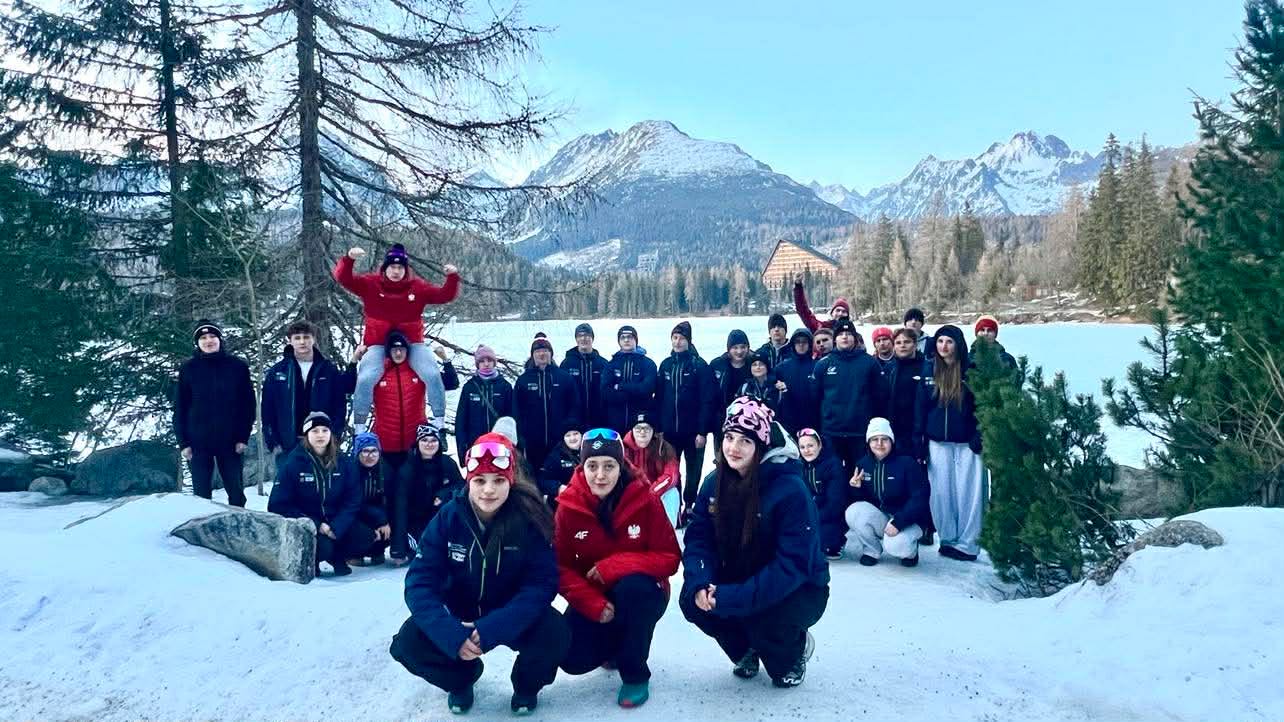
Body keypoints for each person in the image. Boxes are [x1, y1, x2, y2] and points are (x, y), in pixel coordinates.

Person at [390, 433, 569, 716]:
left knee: (554, 631)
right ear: (468, 481)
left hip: (510, 611)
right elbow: (419, 582)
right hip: (460, 611)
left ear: (510, 481)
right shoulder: (448, 518)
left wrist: (493, 628)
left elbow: (541, 584)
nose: (488, 490)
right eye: (480, 481)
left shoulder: (529, 518)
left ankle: (526, 686)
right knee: (408, 642)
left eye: (498, 481)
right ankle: (461, 679)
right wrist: (450, 634)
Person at [680, 397, 830, 688]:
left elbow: (792, 565)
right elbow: (699, 538)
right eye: (729, 438)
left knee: (767, 628)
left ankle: (794, 651)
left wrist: (732, 597)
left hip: (797, 586)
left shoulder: (790, 490)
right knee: (692, 600)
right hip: (743, 574)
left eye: (745, 441)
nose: (733, 448)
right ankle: (746, 649)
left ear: (760, 445)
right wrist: (700, 581)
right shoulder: (714, 482)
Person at [555, 428, 681, 708]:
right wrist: (591, 603)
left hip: (643, 591)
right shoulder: (568, 506)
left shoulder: (644, 498)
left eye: (609, 466)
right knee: (571, 658)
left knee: (633, 589)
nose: (600, 475)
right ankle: (615, 645)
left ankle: (635, 673)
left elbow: (670, 557)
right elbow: (560, 568)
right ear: (582, 467)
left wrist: (615, 566)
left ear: (620, 466)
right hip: (595, 594)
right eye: (592, 466)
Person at [334, 243, 459, 432]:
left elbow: (444, 295)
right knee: (366, 379)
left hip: (412, 344)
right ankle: (359, 425)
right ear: (385, 268)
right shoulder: (371, 284)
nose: (396, 271)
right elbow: (344, 279)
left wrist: (452, 277)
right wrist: (349, 259)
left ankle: (439, 421)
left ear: (405, 270)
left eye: (400, 267)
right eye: (392, 267)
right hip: (377, 344)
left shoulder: (417, 287)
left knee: (432, 374)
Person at [914, 325, 985, 562]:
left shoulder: (971, 370)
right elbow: (921, 408)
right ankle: (948, 539)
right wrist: (919, 440)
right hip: (937, 442)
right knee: (941, 493)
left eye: (949, 342)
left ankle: (969, 544)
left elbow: (984, 405)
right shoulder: (929, 369)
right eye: (940, 341)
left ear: (958, 344)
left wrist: (980, 434)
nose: (944, 346)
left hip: (967, 444)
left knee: (969, 494)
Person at [268, 412, 370, 576]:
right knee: (324, 547)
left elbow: (353, 499)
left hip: (335, 521)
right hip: (307, 524)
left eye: (324, 430)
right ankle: (313, 560)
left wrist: (338, 526)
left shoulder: (343, 461)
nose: (320, 435)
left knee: (365, 536)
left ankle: (338, 556)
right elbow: (277, 504)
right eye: (315, 431)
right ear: (306, 434)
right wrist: (317, 525)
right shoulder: (293, 462)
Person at [174, 320, 255, 507]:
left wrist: (243, 437)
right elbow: (180, 407)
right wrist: (183, 443)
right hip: (198, 442)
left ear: (219, 339)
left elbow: (248, 405)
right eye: (203, 338)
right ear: (197, 343)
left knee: (236, 492)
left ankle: (238, 522)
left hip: (231, 441)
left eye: (212, 336)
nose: (208, 341)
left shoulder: (237, 366)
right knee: (201, 495)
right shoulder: (188, 369)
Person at [261, 319, 355, 471]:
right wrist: (272, 441)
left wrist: (335, 434)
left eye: (306, 337)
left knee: (320, 483)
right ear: (290, 341)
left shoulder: (327, 369)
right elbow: (267, 408)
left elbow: (339, 405)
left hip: (321, 441)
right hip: (287, 443)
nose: (302, 342)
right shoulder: (278, 372)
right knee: (288, 484)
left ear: (314, 339)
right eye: (297, 338)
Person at [845, 418, 930, 567]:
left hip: (908, 519)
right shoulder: (863, 464)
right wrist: (856, 488)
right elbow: (864, 504)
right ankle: (871, 550)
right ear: (868, 442)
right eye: (874, 439)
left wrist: (899, 522)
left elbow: (920, 497)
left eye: (884, 439)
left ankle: (911, 552)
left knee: (896, 546)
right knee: (853, 511)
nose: (879, 444)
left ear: (892, 441)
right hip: (883, 517)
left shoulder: (907, 463)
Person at [656, 321, 716, 527]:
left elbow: (707, 400)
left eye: (681, 338)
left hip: (693, 432)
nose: (678, 342)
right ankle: (676, 505)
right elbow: (659, 398)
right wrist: (659, 429)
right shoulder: (666, 365)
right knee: (672, 470)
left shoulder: (699, 366)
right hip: (670, 432)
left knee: (693, 470)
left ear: (689, 341)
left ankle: (689, 504)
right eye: (674, 338)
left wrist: (702, 431)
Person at [811, 319, 887, 480]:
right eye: (840, 334)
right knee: (835, 475)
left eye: (848, 334)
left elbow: (881, 398)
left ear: (855, 337)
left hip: (860, 432)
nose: (845, 337)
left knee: (861, 475)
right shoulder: (823, 365)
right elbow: (815, 399)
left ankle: (860, 497)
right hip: (832, 432)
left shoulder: (870, 363)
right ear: (835, 339)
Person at [391, 423, 463, 566]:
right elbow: (400, 508)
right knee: (425, 552)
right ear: (417, 443)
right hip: (415, 521)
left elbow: (462, 486)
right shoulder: (407, 469)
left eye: (433, 440)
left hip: (441, 517)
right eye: (424, 440)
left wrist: (444, 494)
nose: (429, 444)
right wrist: (398, 548)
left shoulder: (447, 463)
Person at [514, 333, 581, 470]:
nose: (542, 354)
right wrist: (521, 435)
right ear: (533, 355)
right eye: (538, 351)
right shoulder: (524, 380)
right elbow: (516, 410)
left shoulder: (564, 377)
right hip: (533, 440)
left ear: (551, 354)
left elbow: (574, 406)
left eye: (545, 351)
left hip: (559, 440)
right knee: (534, 473)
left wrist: (568, 428)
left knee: (559, 472)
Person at [367, 330, 426, 479]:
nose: (398, 353)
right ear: (388, 352)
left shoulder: (418, 371)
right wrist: (354, 361)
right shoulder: (378, 372)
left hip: (413, 443)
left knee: (411, 487)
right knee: (387, 487)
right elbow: (352, 387)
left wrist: (446, 361)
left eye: (402, 349)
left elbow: (450, 383)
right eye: (394, 350)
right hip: (385, 445)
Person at [796, 429, 848, 559]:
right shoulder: (798, 465)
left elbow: (835, 504)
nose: (806, 450)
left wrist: (811, 518)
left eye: (810, 445)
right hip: (809, 512)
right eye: (802, 447)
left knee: (825, 541)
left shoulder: (833, 464)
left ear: (819, 445)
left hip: (829, 516)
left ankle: (835, 542)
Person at [622, 412, 681, 524]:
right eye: (638, 428)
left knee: (673, 493)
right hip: (632, 496)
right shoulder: (623, 449)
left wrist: (651, 493)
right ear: (632, 430)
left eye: (647, 428)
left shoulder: (663, 447)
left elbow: (672, 475)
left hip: (656, 493)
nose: (642, 432)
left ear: (653, 431)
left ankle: (668, 531)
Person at [454, 344, 513, 454]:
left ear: (494, 362)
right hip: (475, 445)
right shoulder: (469, 387)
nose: (486, 364)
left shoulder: (505, 386)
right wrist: (462, 448)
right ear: (477, 364)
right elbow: (461, 420)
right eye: (482, 361)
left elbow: (512, 417)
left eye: (489, 360)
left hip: (500, 445)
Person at [601, 325, 657, 434]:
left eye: (630, 337)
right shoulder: (611, 364)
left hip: (640, 423)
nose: (626, 340)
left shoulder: (648, 364)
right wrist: (630, 394)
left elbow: (647, 389)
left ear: (636, 340)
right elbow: (605, 392)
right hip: (615, 422)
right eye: (623, 337)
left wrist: (620, 386)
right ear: (619, 341)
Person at [350, 431, 393, 566]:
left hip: (379, 514)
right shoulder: (350, 471)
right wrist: (380, 518)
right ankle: (352, 553)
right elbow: (353, 503)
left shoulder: (386, 469)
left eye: (374, 451)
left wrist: (386, 520)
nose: (370, 456)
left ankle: (377, 551)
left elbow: (393, 498)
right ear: (358, 453)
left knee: (393, 525)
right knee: (361, 532)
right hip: (355, 515)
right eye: (365, 451)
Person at [563, 323, 608, 430]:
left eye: (587, 335)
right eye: (580, 335)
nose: (584, 339)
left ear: (592, 338)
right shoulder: (567, 364)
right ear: (576, 339)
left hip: (599, 419)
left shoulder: (603, 364)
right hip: (575, 419)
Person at [773, 329, 817, 434]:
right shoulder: (781, 368)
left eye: (804, 342)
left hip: (813, 421)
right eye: (798, 342)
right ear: (793, 344)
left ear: (810, 344)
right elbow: (772, 391)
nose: (801, 345)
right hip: (789, 422)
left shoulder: (818, 366)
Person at [537, 423, 582, 506]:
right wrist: (558, 487)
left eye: (575, 433)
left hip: (584, 500)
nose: (572, 438)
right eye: (568, 435)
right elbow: (542, 481)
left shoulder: (588, 452)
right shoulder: (555, 456)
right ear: (563, 438)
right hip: (564, 503)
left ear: (581, 435)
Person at [710, 330, 753, 415]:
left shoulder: (754, 364)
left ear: (748, 348)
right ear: (729, 349)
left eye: (743, 347)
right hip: (722, 413)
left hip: (748, 414)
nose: (739, 351)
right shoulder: (717, 365)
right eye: (735, 348)